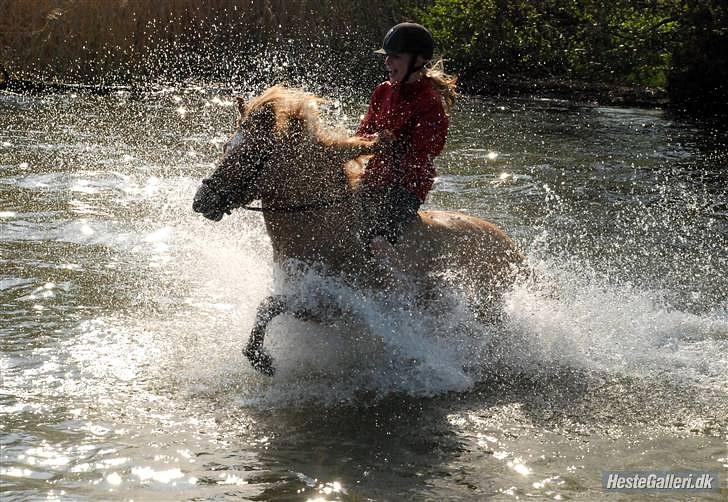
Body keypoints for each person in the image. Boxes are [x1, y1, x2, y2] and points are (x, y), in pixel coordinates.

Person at [356, 22, 457, 264]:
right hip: (374, 178)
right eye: (387, 57)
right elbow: (362, 134)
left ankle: (399, 294)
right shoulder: (382, 92)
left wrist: (391, 145)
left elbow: (427, 152)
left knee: (377, 239)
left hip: (406, 188)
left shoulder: (430, 103)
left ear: (418, 60)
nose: (388, 63)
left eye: (396, 57)